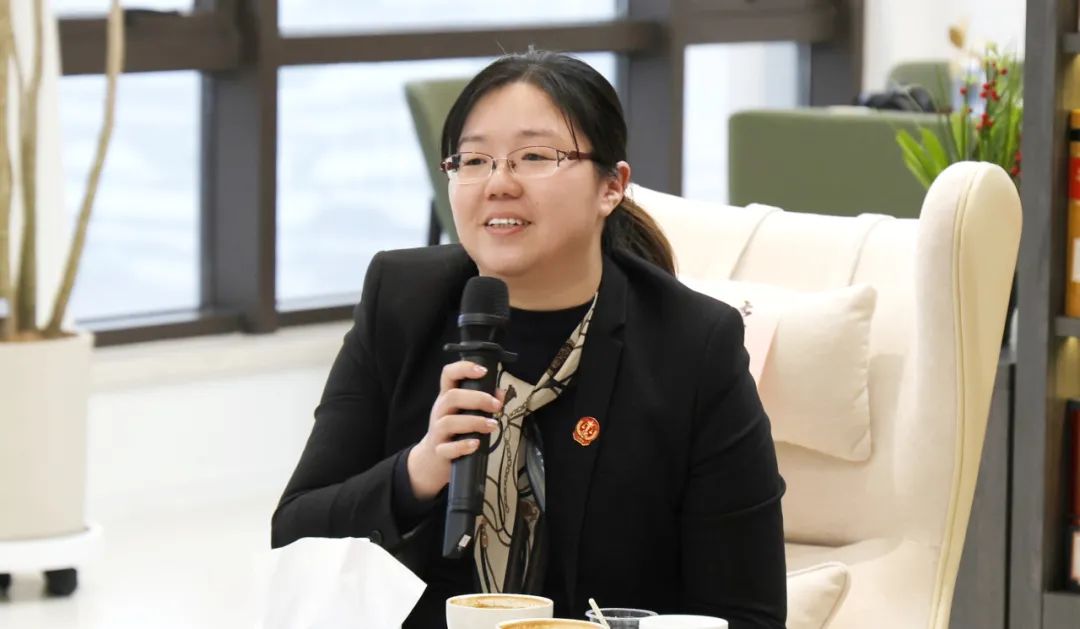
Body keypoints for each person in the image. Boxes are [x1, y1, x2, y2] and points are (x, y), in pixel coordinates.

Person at [271, 49, 787, 628]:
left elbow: (748, 614)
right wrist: (417, 471)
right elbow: (293, 535)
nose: (498, 184)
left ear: (612, 187)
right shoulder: (401, 301)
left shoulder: (694, 346)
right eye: (474, 160)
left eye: (534, 157)